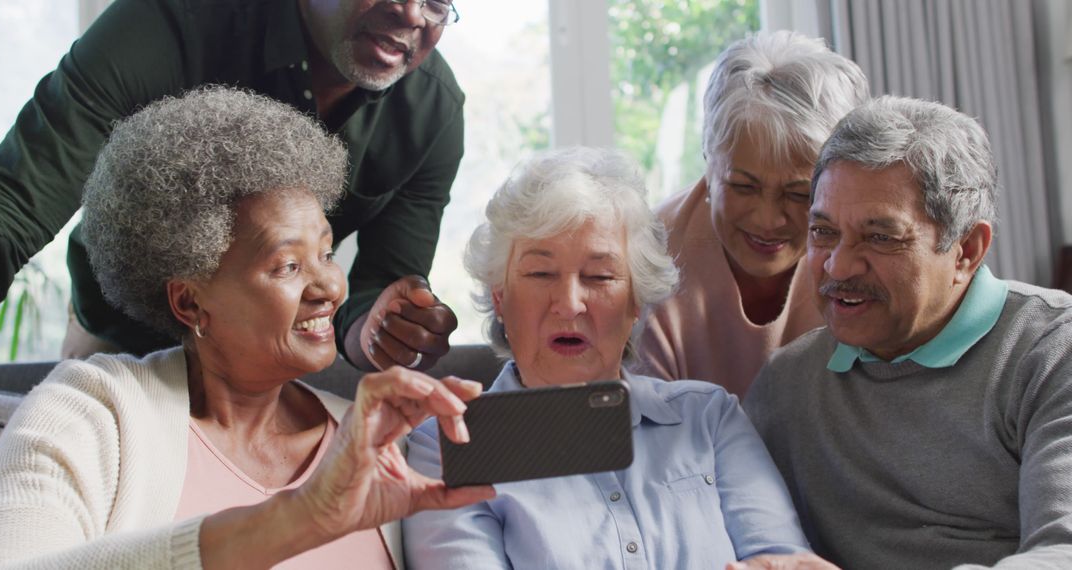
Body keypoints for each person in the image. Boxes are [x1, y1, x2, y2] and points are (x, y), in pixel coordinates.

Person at [0, 87, 494, 568]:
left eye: (325, 253)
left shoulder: (378, 442)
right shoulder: (90, 417)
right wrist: (300, 516)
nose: (329, 289)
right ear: (189, 302)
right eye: (288, 267)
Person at [0, 0, 464, 372]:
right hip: (121, 345)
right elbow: (13, 202)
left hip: (272, 367)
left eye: (436, 1)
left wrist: (382, 333)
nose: (409, 12)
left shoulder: (433, 110)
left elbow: (380, 290)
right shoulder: (171, 22)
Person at [402, 147, 816, 569]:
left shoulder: (709, 418)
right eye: (541, 274)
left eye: (599, 276)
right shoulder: (447, 447)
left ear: (635, 302)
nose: (569, 304)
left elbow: (783, 561)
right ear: (501, 298)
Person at [743, 96, 1072, 568]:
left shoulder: (1052, 350)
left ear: (966, 251)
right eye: (823, 232)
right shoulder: (788, 381)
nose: (838, 265)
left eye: (881, 237)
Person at [638, 31, 869, 397]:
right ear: (707, 162)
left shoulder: (867, 253)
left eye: (798, 193)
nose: (767, 220)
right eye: (743, 186)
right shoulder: (649, 255)